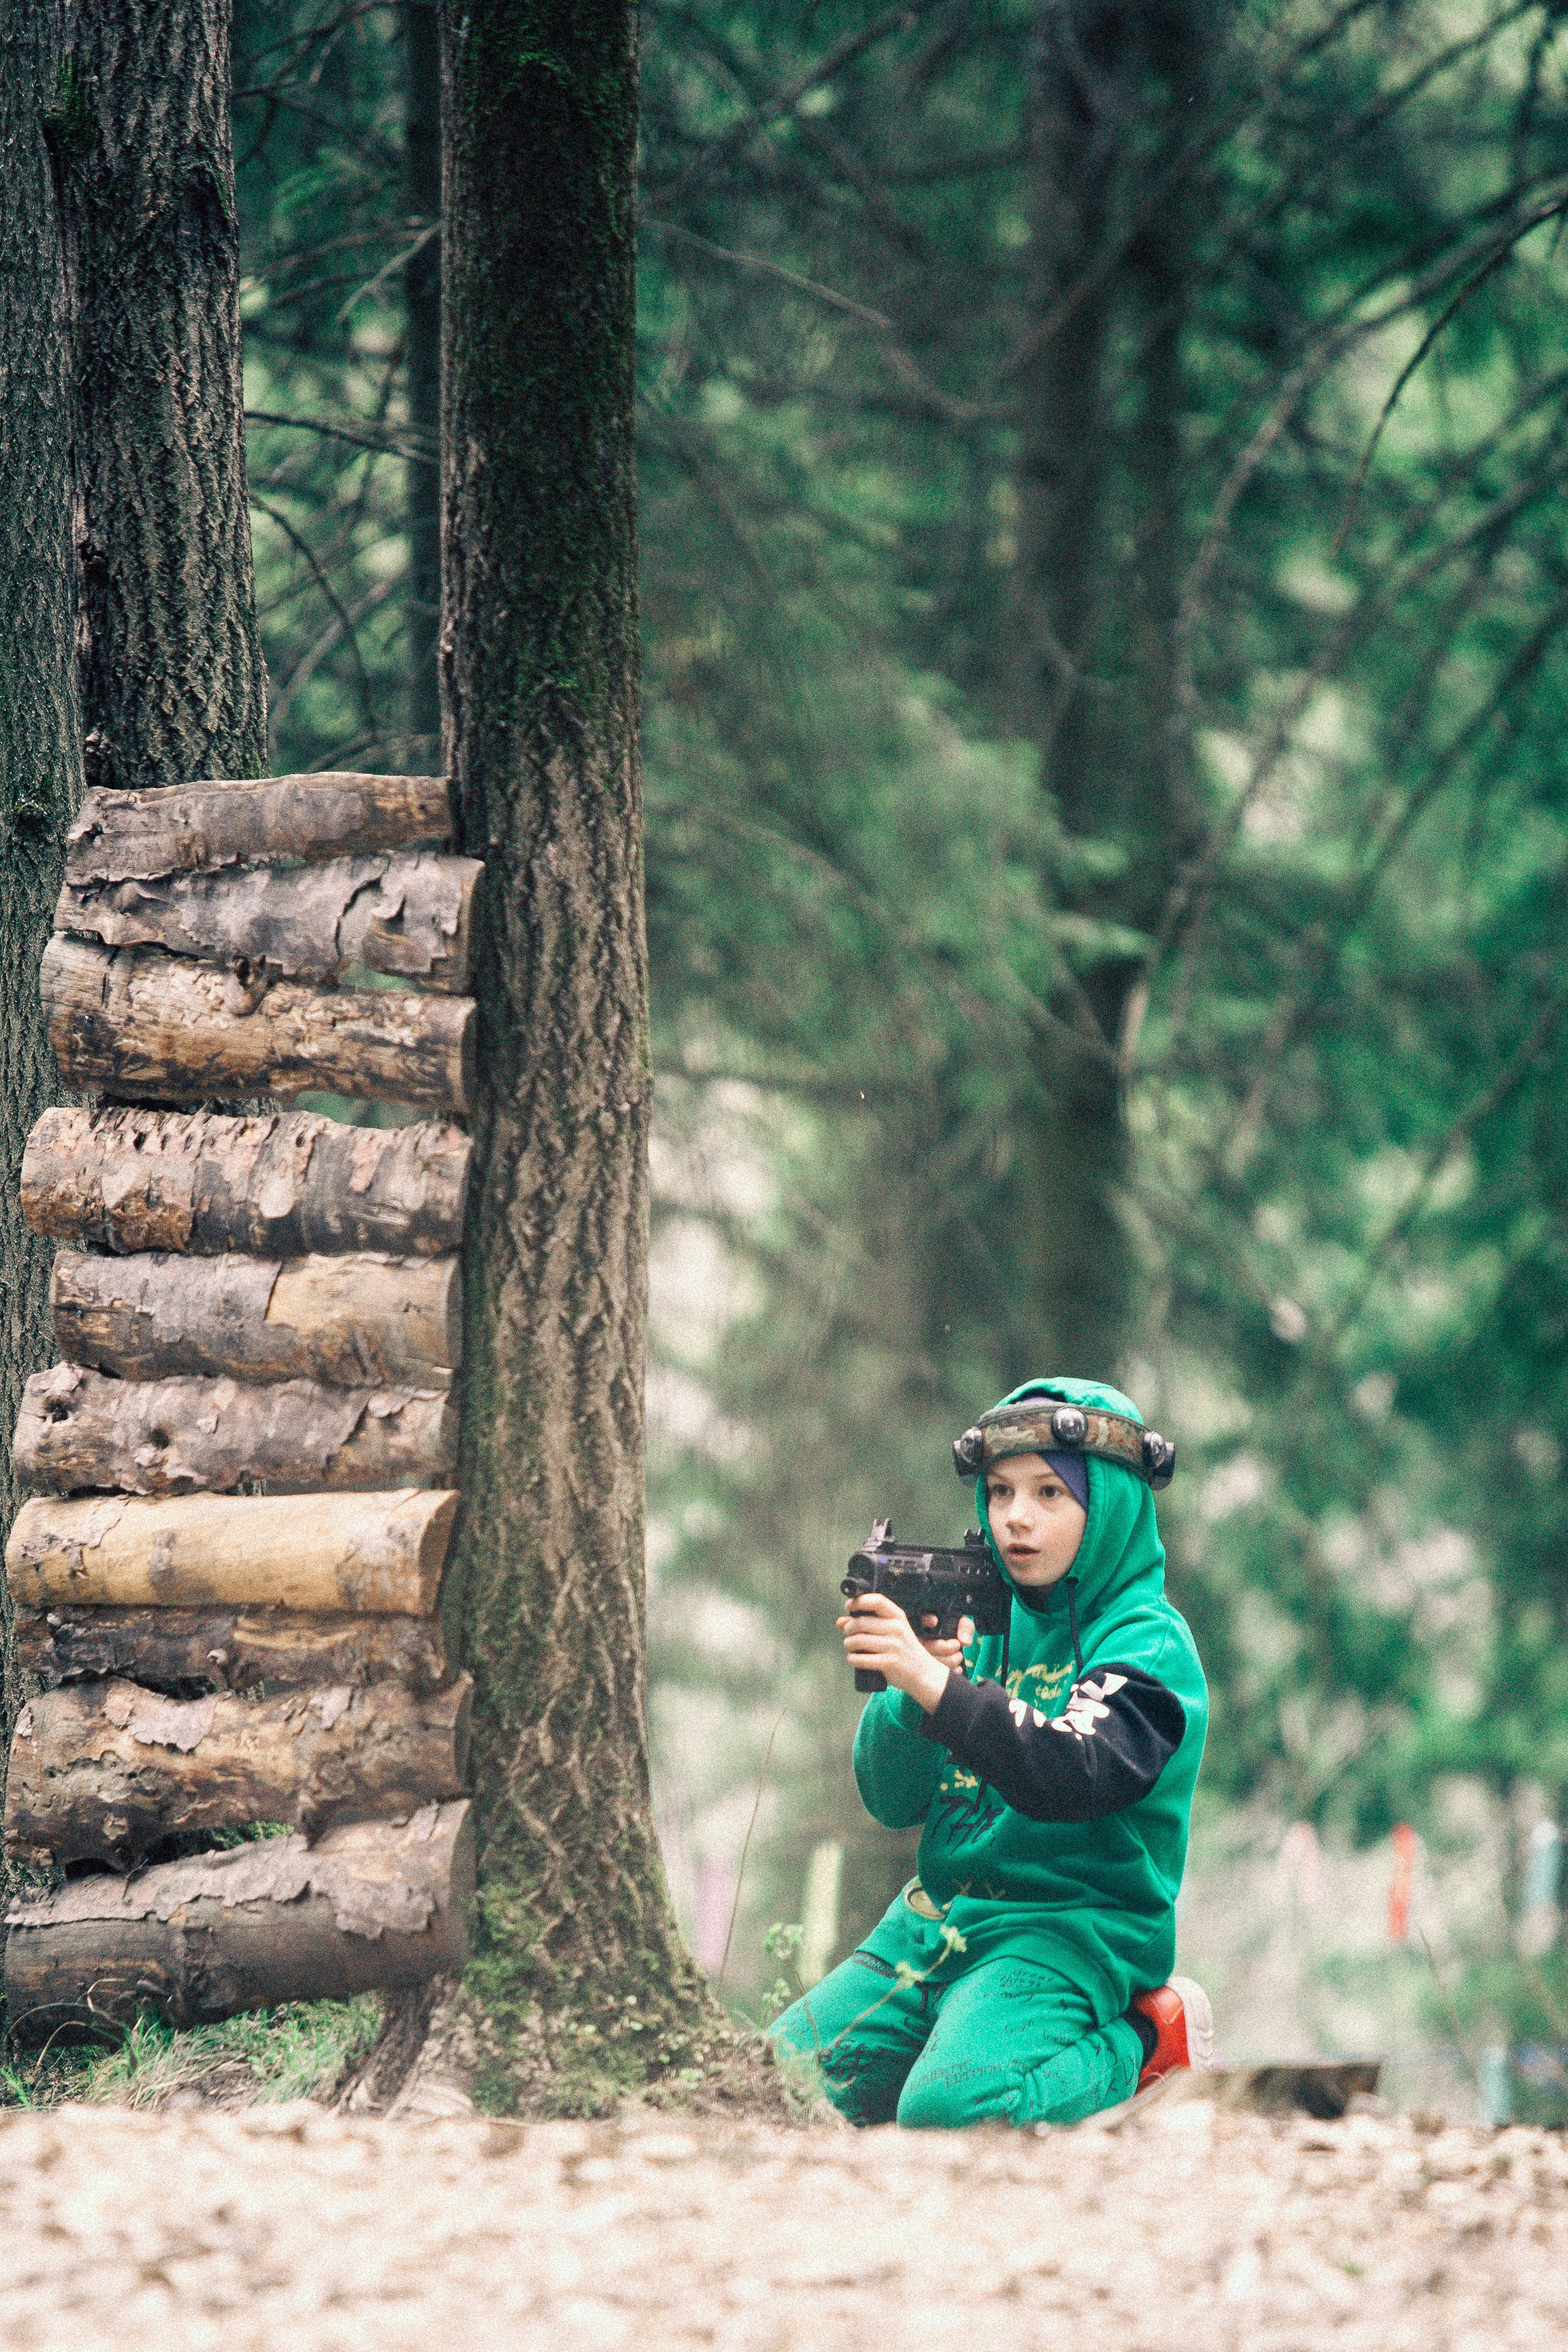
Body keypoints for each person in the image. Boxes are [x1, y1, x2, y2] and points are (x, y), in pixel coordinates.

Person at [769, 1375, 1212, 2129]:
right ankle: (948, 2043)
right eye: (1001, 1492)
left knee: (953, 2113)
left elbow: (1075, 1774)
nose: (1017, 1519)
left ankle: (1147, 2041)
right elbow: (889, 1799)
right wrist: (911, 1688)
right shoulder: (979, 1617)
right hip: (931, 1926)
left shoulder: (1149, 1642)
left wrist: (938, 1688)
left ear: (1107, 1505)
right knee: (764, 2093)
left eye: (1048, 1495)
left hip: (1068, 1934)